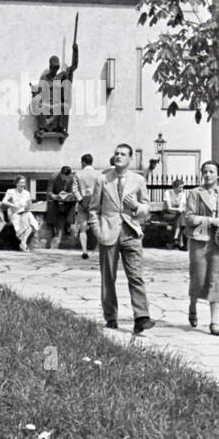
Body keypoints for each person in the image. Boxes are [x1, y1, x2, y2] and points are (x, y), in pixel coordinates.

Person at [88, 142, 154, 334]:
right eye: (116, 153)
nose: (118, 156)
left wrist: (135, 207)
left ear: (130, 158)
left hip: (131, 232)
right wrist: (98, 231)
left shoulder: (138, 180)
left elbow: (146, 207)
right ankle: (111, 317)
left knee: (136, 275)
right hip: (108, 232)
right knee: (108, 277)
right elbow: (93, 209)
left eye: (123, 154)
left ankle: (141, 317)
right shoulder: (103, 179)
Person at [184, 159, 219, 335]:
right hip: (199, 240)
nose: (207, 174)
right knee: (198, 277)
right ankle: (192, 306)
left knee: (216, 278)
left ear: (218, 175)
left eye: (211, 171)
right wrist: (210, 220)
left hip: (218, 242)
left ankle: (214, 322)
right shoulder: (194, 193)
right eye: (204, 171)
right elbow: (188, 218)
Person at [74, 153, 101, 258]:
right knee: (97, 226)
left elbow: (74, 189)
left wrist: (81, 200)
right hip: (95, 202)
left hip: (82, 203)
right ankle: (100, 248)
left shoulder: (78, 174)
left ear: (83, 162)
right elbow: (101, 189)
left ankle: (84, 251)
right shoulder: (98, 174)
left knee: (83, 228)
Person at [2, 176, 39, 251]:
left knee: (32, 222)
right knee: (25, 222)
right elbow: (4, 201)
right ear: (16, 183)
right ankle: (23, 243)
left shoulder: (26, 193)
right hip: (14, 213)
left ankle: (23, 243)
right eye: (21, 182)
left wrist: (28, 204)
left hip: (25, 212)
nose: (23, 184)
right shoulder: (11, 191)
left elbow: (29, 206)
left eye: (24, 183)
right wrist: (13, 205)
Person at [46, 166, 78, 248]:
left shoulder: (73, 178)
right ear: (61, 174)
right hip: (56, 199)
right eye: (63, 176)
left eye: (67, 177)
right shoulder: (53, 177)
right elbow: (49, 192)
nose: (65, 179)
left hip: (68, 201)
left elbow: (74, 192)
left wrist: (69, 196)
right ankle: (54, 229)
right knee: (53, 208)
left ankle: (68, 225)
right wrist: (55, 196)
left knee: (70, 209)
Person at [162, 177, 188, 250]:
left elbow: (182, 206)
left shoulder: (182, 194)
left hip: (177, 214)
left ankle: (175, 239)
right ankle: (180, 243)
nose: (182, 189)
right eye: (180, 187)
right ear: (175, 187)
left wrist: (179, 210)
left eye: (182, 187)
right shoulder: (168, 193)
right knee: (181, 216)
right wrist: (179, 209)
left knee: (180, 216)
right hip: (167, 213)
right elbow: (169, 208)